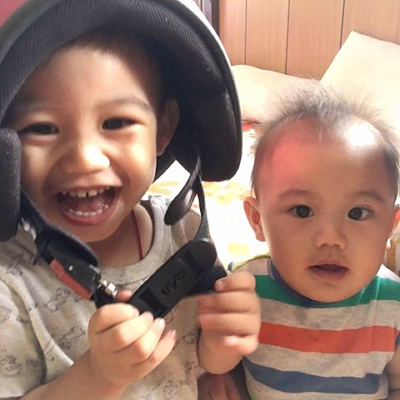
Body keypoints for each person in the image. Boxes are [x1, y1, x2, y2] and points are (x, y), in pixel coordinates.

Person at [0, 1, 260, 399]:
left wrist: (224, 344)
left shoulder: (186, 236)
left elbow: (197, 360)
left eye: (116, 122)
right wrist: (97, 377)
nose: (85, 158)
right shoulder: (11, 281)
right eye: (42, 128)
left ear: (164, 130)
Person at [236, 82, 400, 399]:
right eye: (302, 211)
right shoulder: (246, 290)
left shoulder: (392, 305)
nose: (330, 239)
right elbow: (215, 363)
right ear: (257, 220)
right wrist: (217, 356)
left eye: (358, 213)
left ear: (390, 227)